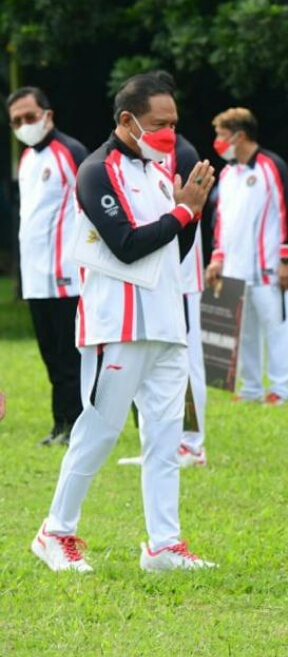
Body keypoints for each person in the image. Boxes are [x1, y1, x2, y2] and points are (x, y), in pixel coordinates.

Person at [30, 70, 217, 572]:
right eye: (159, 124)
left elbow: (173, 250)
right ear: (128, 120)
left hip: (166, 325)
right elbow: (126, 245)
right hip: (117, 326)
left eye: (174, 123)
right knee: (100, 431)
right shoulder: (96, 171)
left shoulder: (157, 173)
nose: (170, 134)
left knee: (165, 437)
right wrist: (183, 213)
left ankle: (163, 545)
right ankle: (55, 531)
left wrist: (191, 212)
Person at [118, 133, 208, 468]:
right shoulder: (133, 158)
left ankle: (190, 444)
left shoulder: (182, 154)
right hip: (149, 275)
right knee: (150, 363)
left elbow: (188, 219)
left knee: (184, 363)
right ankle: (157, 443)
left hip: (179, 278)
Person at [8, 87, 88, 446]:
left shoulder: (69, 152)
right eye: (16, 121)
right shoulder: (26, 159)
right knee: (50, 357)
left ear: (47, 115)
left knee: (70, 356)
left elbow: (91, 204)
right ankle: (60, 423)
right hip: (36, 276)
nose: (24, 125)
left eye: (29, 116)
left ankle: (78, 425)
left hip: (67, 275)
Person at [204, 108, 288, 406]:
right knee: (243, 332)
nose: (218, 142)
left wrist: (287, 258)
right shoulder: (227, 173)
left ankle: (280, 389)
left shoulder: (271, 166)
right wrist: (217, 258)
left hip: (268, 267)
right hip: (234, 267)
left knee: (276, 327)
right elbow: (220, 220)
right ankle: (251, 388)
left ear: (240, 135)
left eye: (222, 135)